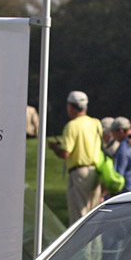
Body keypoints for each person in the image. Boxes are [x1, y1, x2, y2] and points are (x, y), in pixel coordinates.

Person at [48, 90, 103, 224]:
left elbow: (65, 153)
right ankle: (95, 245)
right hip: (95, 171)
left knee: (79, 217)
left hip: (80, 174)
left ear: (71, 107)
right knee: (93, 216)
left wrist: (54, 148)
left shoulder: (72, 125)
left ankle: (82, 246)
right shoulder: (96, 123)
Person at [108, 117, 131, 194]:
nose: (113, 136)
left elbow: (119, 173)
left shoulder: (123, 147)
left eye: (113, 132)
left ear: (121, 131)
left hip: (127, 189)